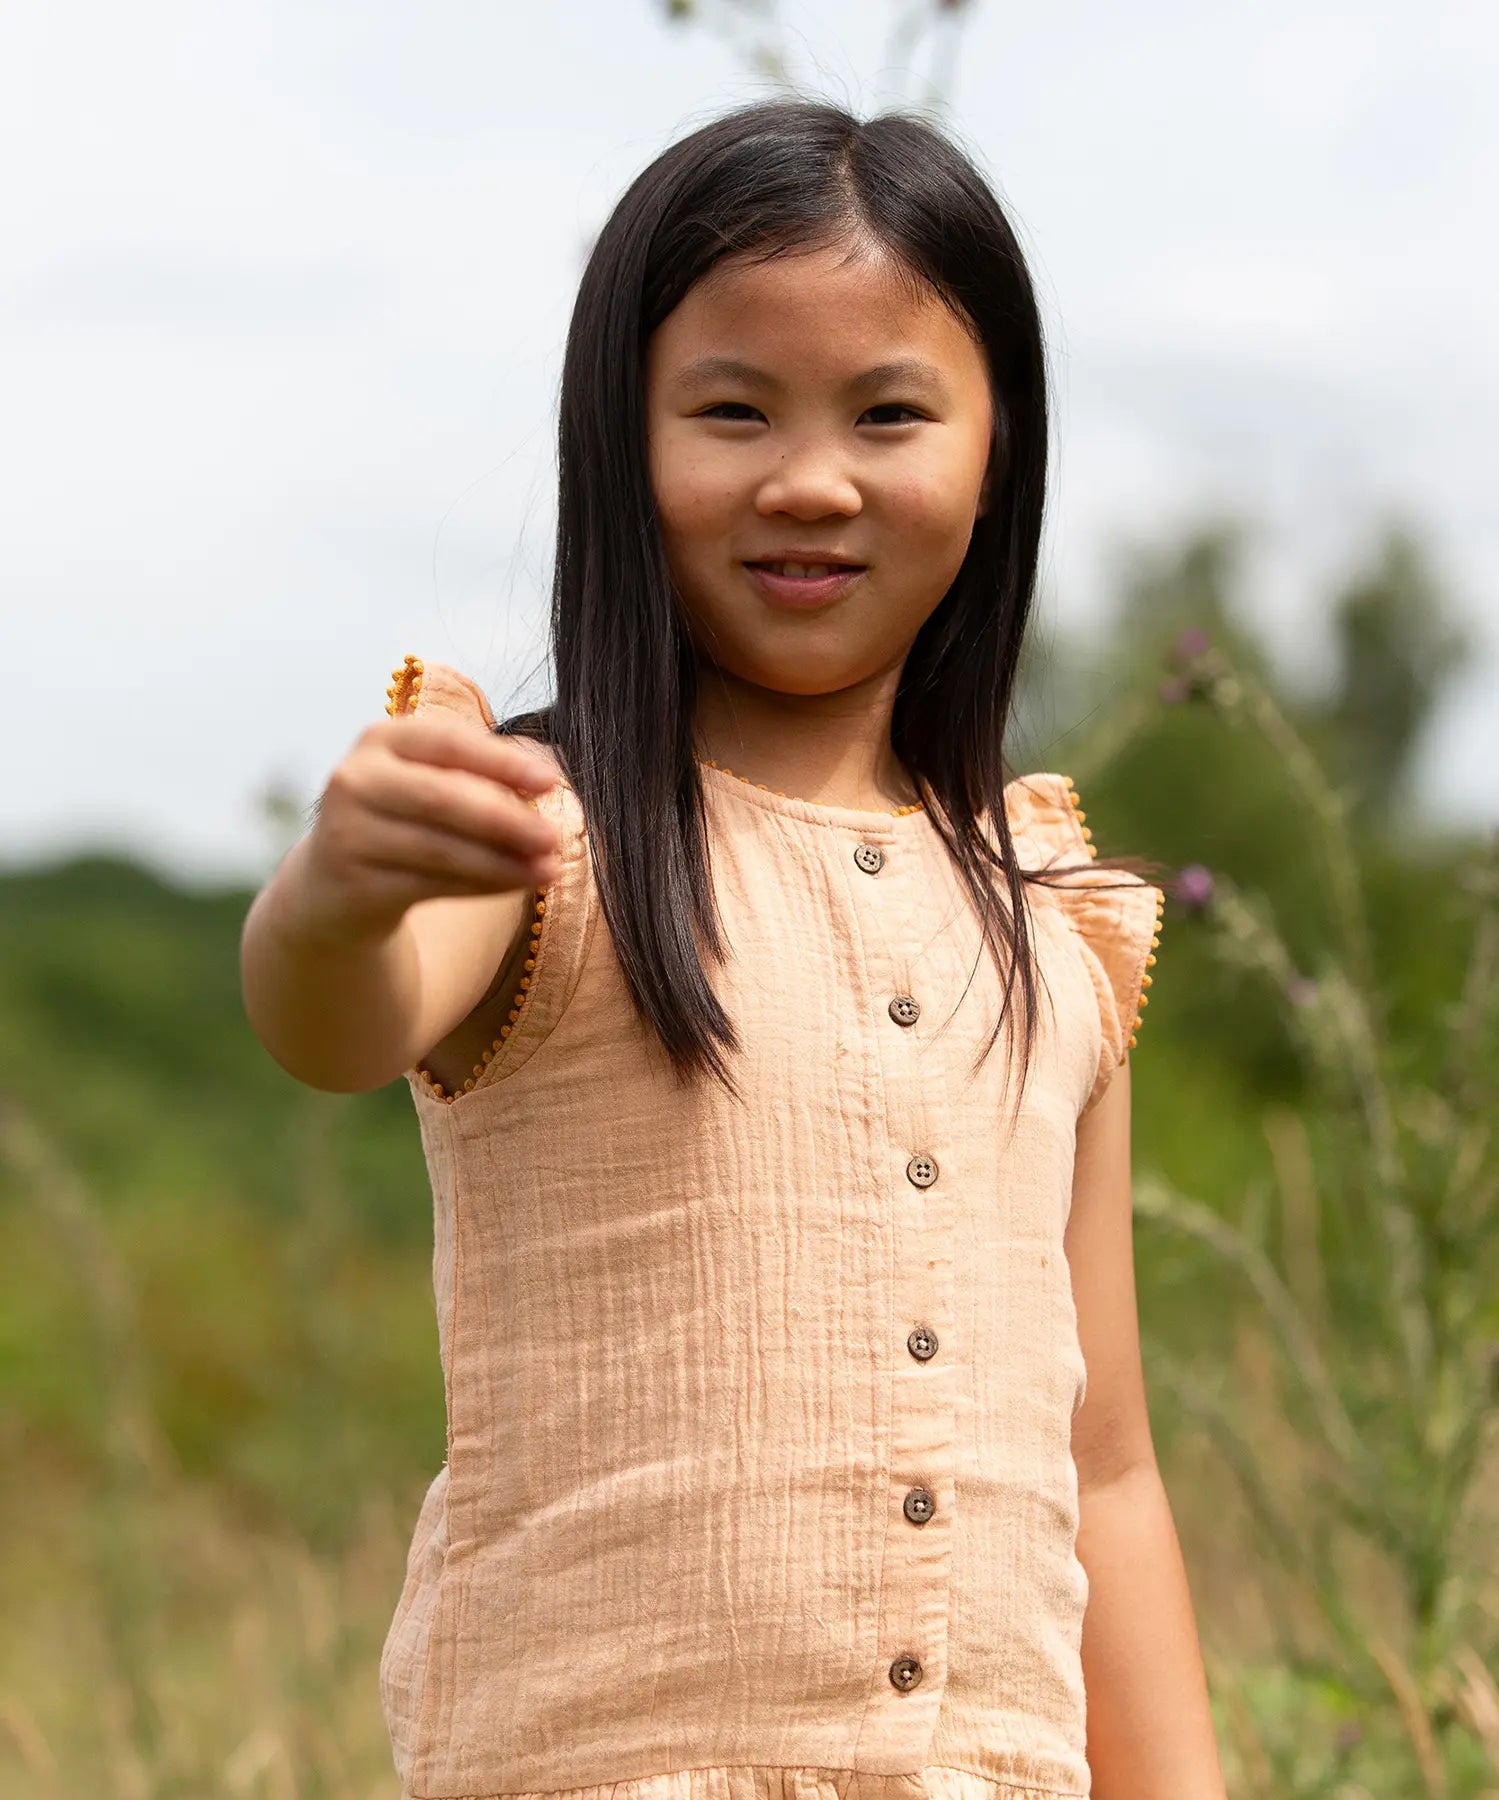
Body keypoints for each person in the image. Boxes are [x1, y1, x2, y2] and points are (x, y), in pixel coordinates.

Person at [241, 97, 1227, 1800]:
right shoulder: (544, 828)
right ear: (620, 445)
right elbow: (334, 1020)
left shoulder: (1045, 913)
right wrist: (331, 893)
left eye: (891, 412)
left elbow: (1108, 1461)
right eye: (731, 411)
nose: (812, 479)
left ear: (1002, 452)